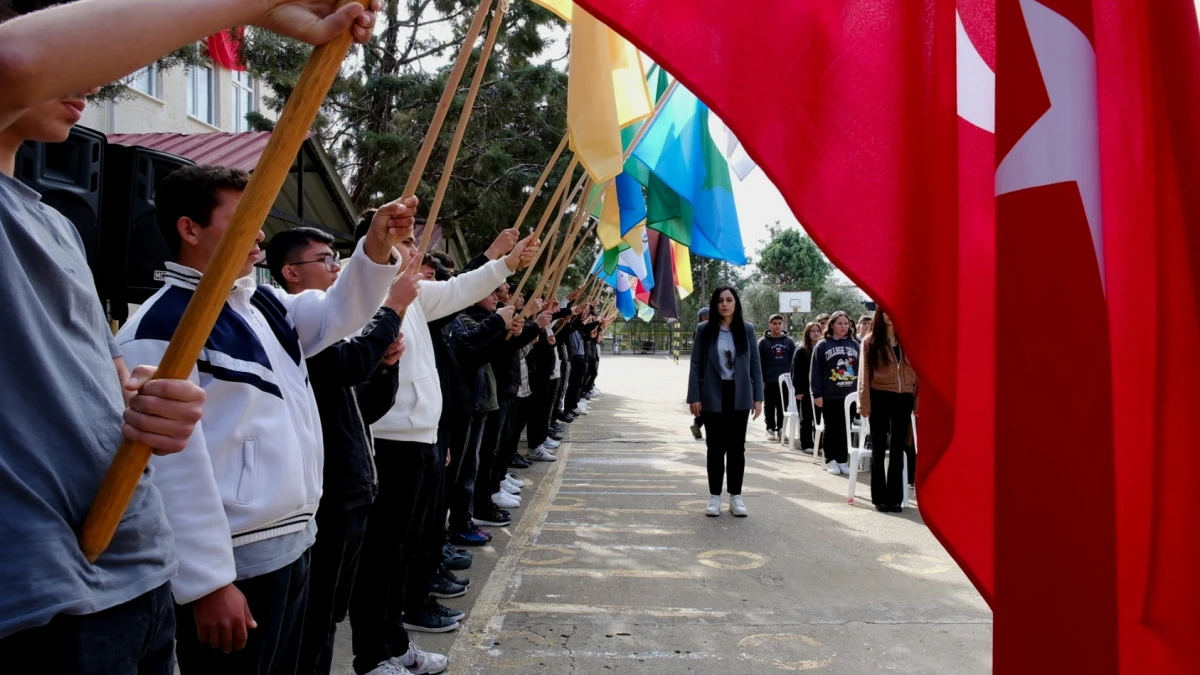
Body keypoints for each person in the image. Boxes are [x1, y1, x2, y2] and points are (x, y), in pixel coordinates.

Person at [117, 165, 410, 674]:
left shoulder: (262, 303)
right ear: (190, 229)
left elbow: (340, 312)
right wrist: (208, 582)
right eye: (244, 218)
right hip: (235, 564)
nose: (259, 234)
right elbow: (166, 469)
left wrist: (376, 249)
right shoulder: (160, 327)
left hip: (293, 542)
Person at [349, 219, 538, 675]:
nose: (415, 248)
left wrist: (506, 264)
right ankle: (373, 656)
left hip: (423, 439)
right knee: (380, 556)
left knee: (401, 551)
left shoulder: (412, 295)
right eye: (406, 240)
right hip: (388, 443)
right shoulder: (359, 292)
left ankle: (394, 645)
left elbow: (459, 290)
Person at [264, 227, 407, 675]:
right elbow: (347, 366)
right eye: (324, 260)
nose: (335, 268)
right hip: (328, 494)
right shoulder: (296, 329)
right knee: (314, 620)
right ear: (290, 273)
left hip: (353, 488)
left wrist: (385, 367)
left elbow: (366, 406)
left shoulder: (331, 330)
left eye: (336, 258)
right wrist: (391, 311)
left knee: (328, 617)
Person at [687, 286, 763, 518]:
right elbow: (696, 364)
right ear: (715, 304)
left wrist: (758, 397)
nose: (725, 304)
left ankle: (735, 497)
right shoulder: (705, 330)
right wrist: (694, 396)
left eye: (729, 300)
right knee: (715, 447)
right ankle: (714, 497)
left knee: (737, 448)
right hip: (712, 393)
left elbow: (755, 365)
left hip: (739, 394)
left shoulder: (747, 329)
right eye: (720, 300)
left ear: (736, 303)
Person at [858, 310, 918, 513]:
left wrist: (918, 403)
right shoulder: (870, 341)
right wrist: (864, 403)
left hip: (904, 397)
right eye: (886, 311)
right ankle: (879, 497)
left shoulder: (909, 340)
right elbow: (864, 374)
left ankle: (895, 498)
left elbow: (918, 373)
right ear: (880, 314)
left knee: (898, 448)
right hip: (879, 395)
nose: (891, 315)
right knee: (878, 446)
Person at [810, 311, 860, 476]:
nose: (843, 326)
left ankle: (842, 459)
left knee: (846, 428)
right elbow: (815, 370)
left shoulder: (854, 344)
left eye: (846, 323)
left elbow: (860, 369)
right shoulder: (823, 345)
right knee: (831, 428)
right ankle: (830, 459)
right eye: (839, 323)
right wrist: (817, 393)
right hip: (830, 394)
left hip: (849, 395)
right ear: (831, 325)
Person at [758, 313, 796, 442]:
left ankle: (781, 429)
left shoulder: (789, 341)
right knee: (769, 406)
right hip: (769, 380)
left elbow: (794, 362)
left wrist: (793, 379)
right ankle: (769, 428)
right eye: (774, 323)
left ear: (783, 325)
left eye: (780, 323)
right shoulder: (763, 342)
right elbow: (758, 362)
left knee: (782, 406)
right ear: (769, 325)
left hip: (785, 382)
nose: (777, 326)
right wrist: (761, 379)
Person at [791, 321, 823, 453]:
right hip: (805, 389)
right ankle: (806, 443)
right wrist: (798, 390)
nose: (816, 334)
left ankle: (819, 444)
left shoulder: (822, 348)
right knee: (806, 416)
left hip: (819, 389)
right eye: (813, 331)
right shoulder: (801, 350)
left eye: (818, 331)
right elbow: (796, 372)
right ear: (807, 333)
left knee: (819, 417)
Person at [689, 307, 711, 439]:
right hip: (704, 373)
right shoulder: (701, 331)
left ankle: (697, 423)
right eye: (705, 318)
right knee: (707, 403)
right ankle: (698, 423)